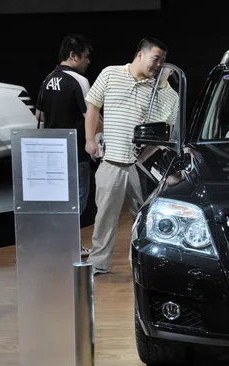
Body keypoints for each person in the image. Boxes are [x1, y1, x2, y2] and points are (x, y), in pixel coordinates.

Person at [84, 37, 179, 275]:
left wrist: (164, 85)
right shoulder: (110, 74)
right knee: (105, 215)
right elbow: (93, 107)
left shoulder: (162, 91)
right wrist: (89, 139)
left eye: (163, 61)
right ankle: (99, 263)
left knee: (146, 218)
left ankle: (143, 264)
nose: (159, 65)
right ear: (140, 55)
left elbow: (168, 126)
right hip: (112, 161)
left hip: (142, 166)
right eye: (156, 59)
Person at [35, 34, 101, 257]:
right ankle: (69, 246)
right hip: (75, 153)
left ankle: (58, 245)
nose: (88, 61)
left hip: (51, 153)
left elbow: (40, 115)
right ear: (73, 56)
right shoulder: (79, 81)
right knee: (78, 201)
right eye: (86, 57)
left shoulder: (47, 79)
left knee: (58, 201)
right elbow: (89, 117)